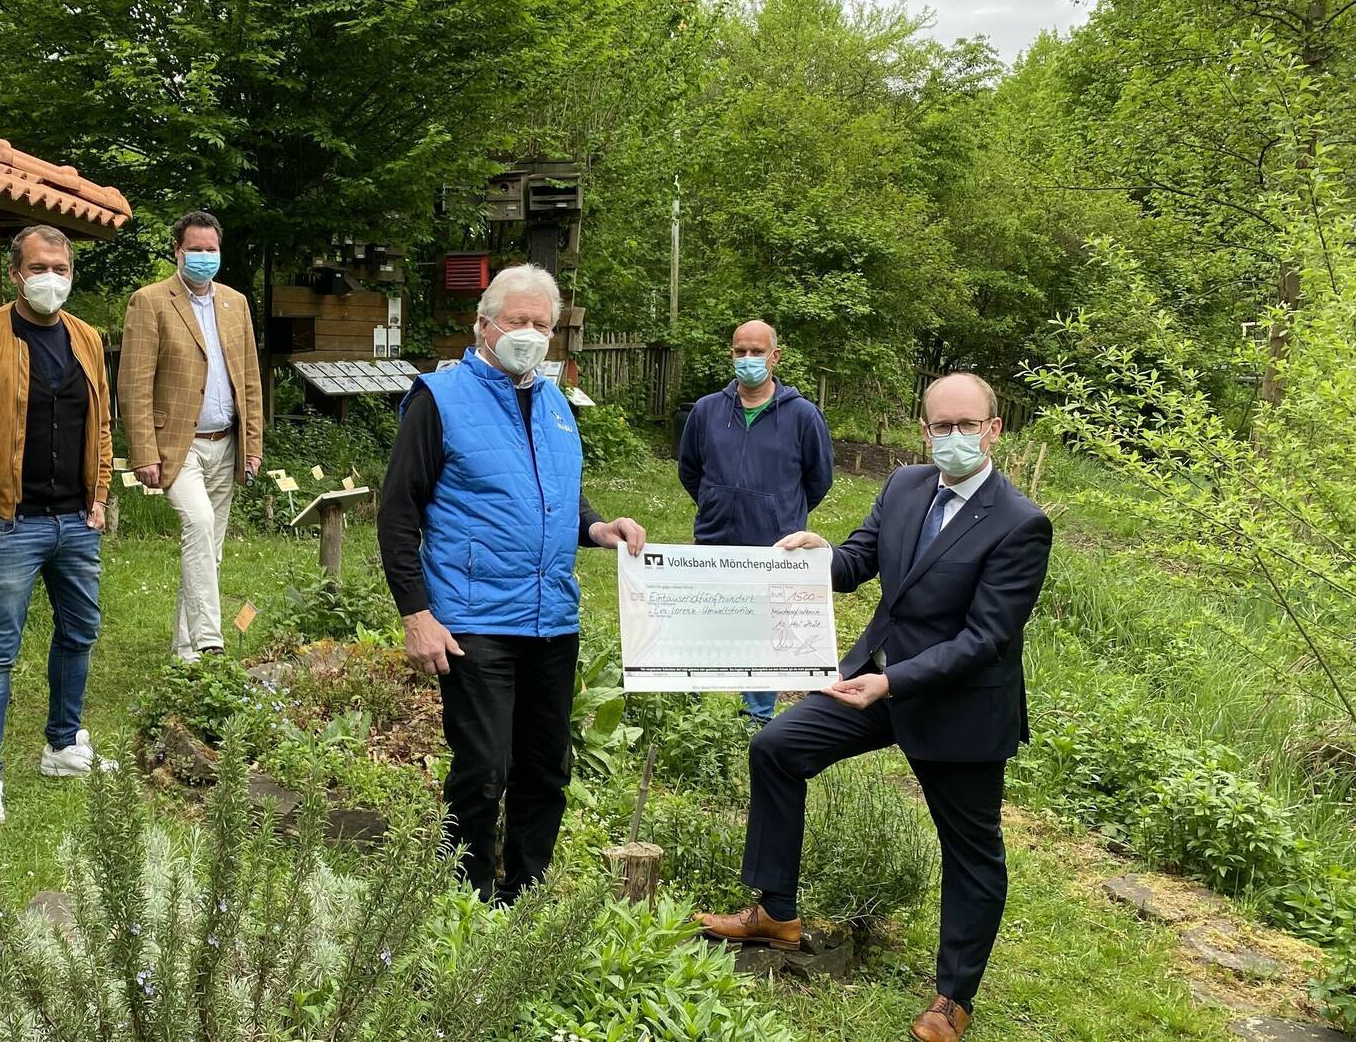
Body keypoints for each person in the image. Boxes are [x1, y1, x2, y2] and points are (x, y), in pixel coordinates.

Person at [697, 374, 1053, 1042]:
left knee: (971, 851)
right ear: (924, 429)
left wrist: (891, 684)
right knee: (776, 747)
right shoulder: (905, 486)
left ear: (994, 429)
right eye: (941, 425)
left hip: (957, 705)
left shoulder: (1020, 522)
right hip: (876, 681)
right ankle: (776, 910)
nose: (953, 436)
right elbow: (860, 560)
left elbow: (985, 640)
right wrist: (819, 555)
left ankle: (953, 998)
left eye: (967, 424)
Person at [378, 263, 646, 903]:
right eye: (517, 320)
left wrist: (597, 527)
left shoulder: (555, 403)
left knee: (546, 769)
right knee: (483, 768)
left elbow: (556, 494)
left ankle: (525, 899)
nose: (530, 333)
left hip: (552, 619)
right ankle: (465, 901)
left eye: (541, 324)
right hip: (474, 620)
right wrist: (417, 614)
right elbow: (398, 513)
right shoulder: (439, 399)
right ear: (483, 325)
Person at [0, 225, 115, 828]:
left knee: (80, 634)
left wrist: (99, 495)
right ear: (15, 274)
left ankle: (62, 745)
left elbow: (102, 424)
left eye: (61, 269)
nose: (51, 279)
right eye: (39, 268)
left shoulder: (86, 338)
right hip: (10, 522)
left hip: (77, 521)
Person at [118, 211, 265, 662]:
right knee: (198, 526)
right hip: (177, 445)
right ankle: (209, 641)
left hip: (227, 442)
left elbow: (250, 379)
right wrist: (143, 452)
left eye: (210, 249)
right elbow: (133, 383)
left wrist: (253, 445)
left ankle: (186, 653)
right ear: (177, 251)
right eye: (195, 249)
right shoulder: (150, 302)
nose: (204, 256)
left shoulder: (235, 303)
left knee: (208, 548)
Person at [677, 320, 834, 723]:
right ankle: (688, 714)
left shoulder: (803, 416)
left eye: (757, 352)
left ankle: (757, 718)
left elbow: (819, 479)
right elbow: (689, 468)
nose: (747, 359)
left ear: (774, 356)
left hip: (773, 549)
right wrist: (716, 502)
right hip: (713, 542)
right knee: (701, 626)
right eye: (740, 351)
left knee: (765, 634)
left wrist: (779, 512)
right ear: (731, 354)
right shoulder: (706, 410)